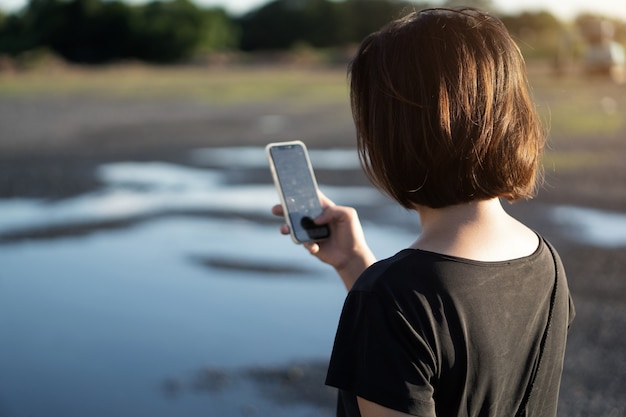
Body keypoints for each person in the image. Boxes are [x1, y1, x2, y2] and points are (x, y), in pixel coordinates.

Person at [271, 7, 575, 417]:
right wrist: (354, 263)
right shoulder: (546, 261)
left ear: (391, 139)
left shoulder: (389, 298)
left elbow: (421, 318)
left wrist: (376, 289)